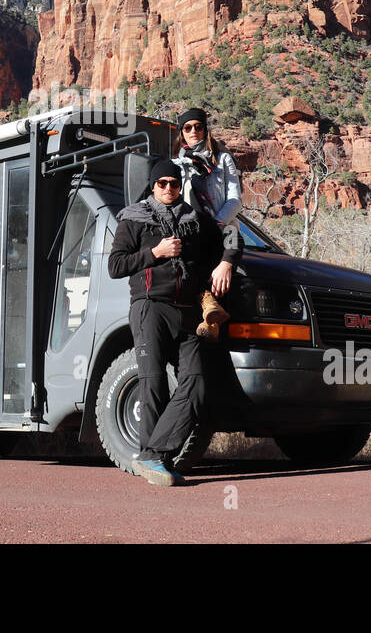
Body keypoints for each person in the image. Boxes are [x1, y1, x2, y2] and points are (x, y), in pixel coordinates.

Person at [108, 158, 241, 486]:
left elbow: (232, 237)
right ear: (153, 185)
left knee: (196, 383)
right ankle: (153, 459)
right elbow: (116, 265)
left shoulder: (195, 219)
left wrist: (225, 264)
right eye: (162, 183)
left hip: (190, 313)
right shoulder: (134, 218)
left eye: (174, 183)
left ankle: (155, 455)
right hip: (150, 307)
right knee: (152, 383)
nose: (169, 188)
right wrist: (156, 252)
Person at [174, 108, 243, 340]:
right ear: (181, 133)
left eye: (198, 126)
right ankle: (209, 313)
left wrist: (215, 225)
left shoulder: (223, 160)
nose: (193, 131)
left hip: (222, 226)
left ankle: (210, 309)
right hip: (190, 230)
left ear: (205, 129)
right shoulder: (176, 164)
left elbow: (235, 200)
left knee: (233, 235)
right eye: (187, 128)